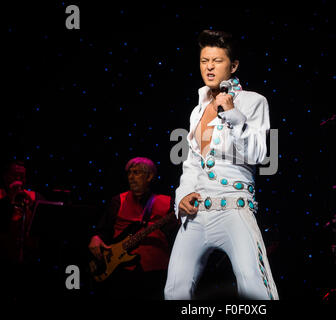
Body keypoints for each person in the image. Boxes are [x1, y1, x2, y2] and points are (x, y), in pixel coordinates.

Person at [164, 30, 279, 300]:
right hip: (197, 213)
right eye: (204, 61)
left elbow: (260, 154)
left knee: (254, 287)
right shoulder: (197, 110)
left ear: (234, 65)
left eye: (217, 60)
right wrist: (181, 196)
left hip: (233, 207)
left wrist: (233, 114)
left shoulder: (253, 101)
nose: (210, 67)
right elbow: (192, 162)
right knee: (175, 290)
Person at [88, 157, 178, 300]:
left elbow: (176, 237)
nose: (131, 177)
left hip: (155, 270)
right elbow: (103, 230)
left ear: (149, 176)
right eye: (129, 173)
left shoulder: (168, 202)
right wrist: (96, 238)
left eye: (136, 173)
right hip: (120, 270)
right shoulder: (118, 200)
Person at [0, 160, 44, 301]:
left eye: (22, 177)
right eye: (15, 176)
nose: (19, 181)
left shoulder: (34, 197)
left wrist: (32, 208)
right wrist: (10, 201)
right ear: (5, 177)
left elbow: (43, 225)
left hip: (28, 260)